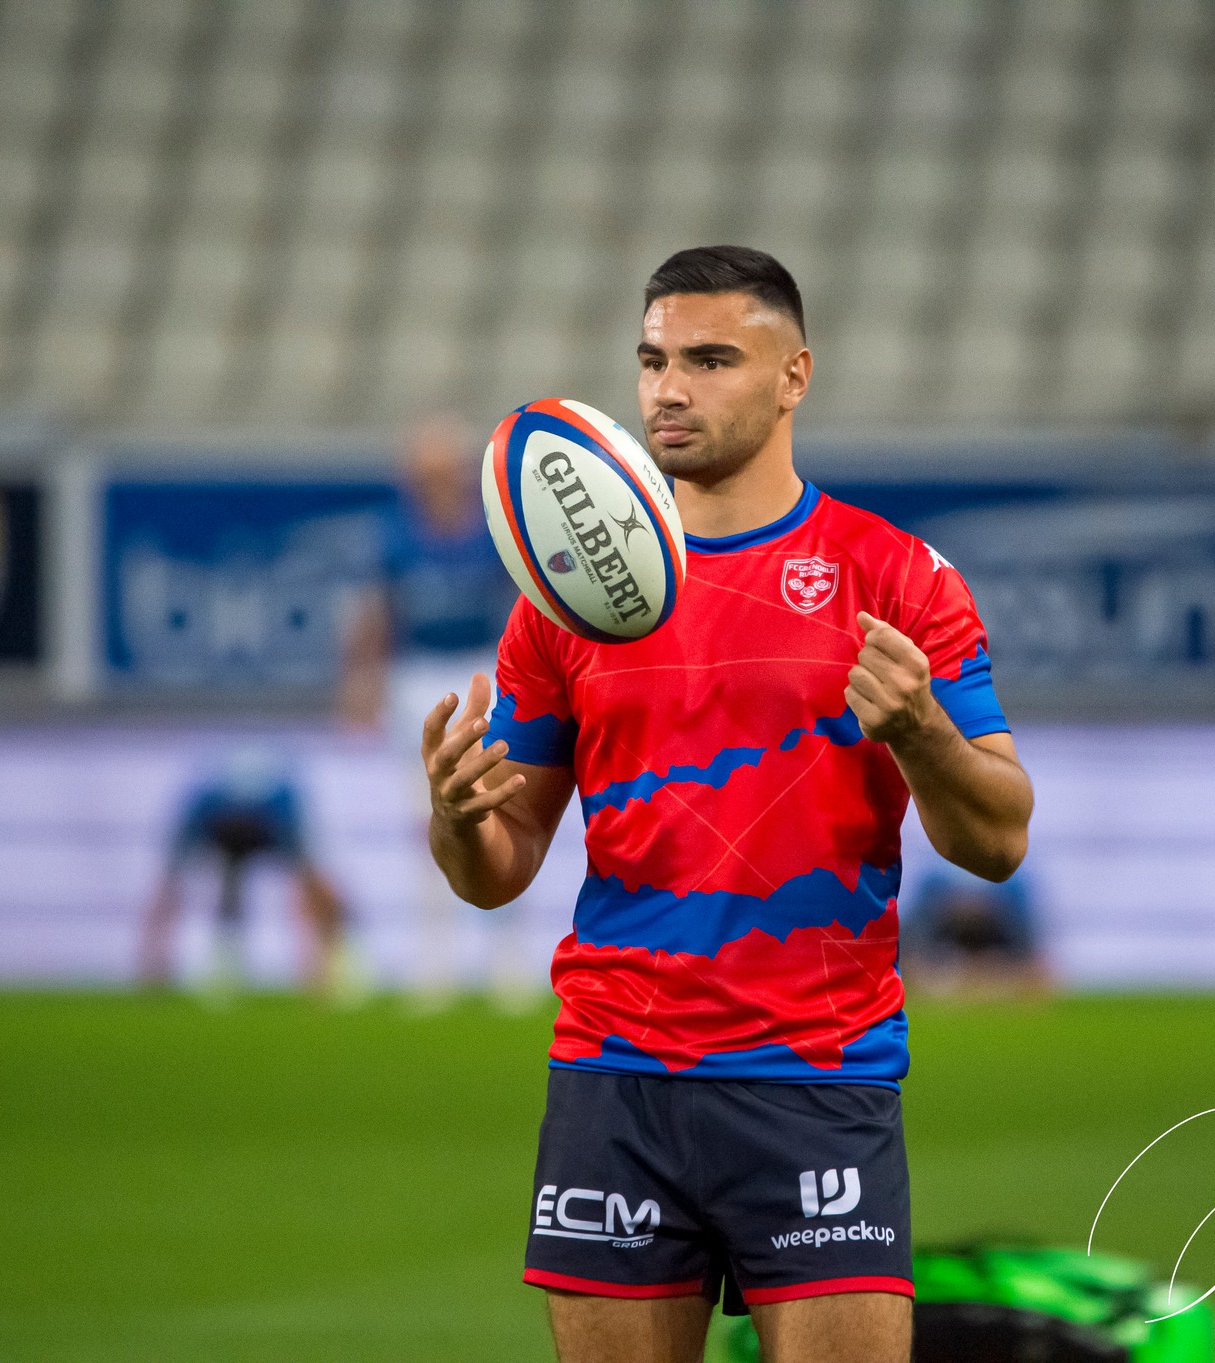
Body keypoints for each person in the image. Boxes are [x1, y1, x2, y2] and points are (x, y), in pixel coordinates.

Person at [420, 246, 1034, 1363]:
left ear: (794, 376)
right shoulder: (563, 598)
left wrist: (920, 731)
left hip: (816, 1078)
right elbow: (497, 870)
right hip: (614, 1075)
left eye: (709, 360)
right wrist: (458, 819)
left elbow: (997, 838)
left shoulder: (894, 576)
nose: (668, 389)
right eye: (653, 360)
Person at [339, 415, 530, 1005]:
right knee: (431, 815)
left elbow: (521, 602)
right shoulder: (396, 537)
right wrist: (361, 680)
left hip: (480, 667)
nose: (434, 483)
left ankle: (507, 958)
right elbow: (378, 612)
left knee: (499, 805)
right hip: (417, 675)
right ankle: (435, 960)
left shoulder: (490, 530)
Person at [137, 747, 348, 997]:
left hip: (267, 814)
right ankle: (163, 965)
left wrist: (318, 963)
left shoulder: (282, 805)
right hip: (224, 815)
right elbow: (169, 884)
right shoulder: (205, 804)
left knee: (307, 882)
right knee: (200, 886)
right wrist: (152, 956)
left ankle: (325, 965)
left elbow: (309, 881)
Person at [899, 862, 1053, 996]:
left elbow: (1037, 974)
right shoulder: (934, 882)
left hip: (999, 892)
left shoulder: (1013, 887)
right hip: (947, 887)